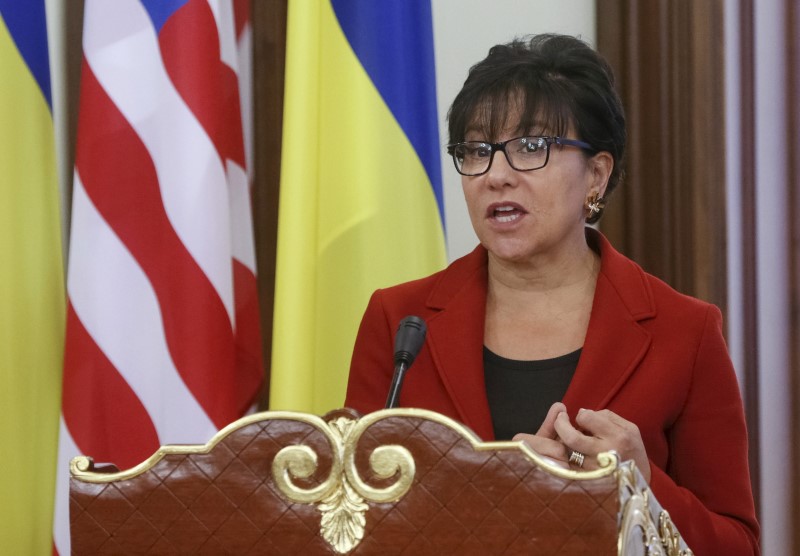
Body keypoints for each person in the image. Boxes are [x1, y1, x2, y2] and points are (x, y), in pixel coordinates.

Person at [345, 34, 759, 554]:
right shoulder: (400, 322)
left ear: (597, 175)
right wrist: (495, 495)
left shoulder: (685, 332)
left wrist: (643, 482)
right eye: (476, 151)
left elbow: (736, 545)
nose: (496, 175)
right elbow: (348, 520)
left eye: (531, 148)